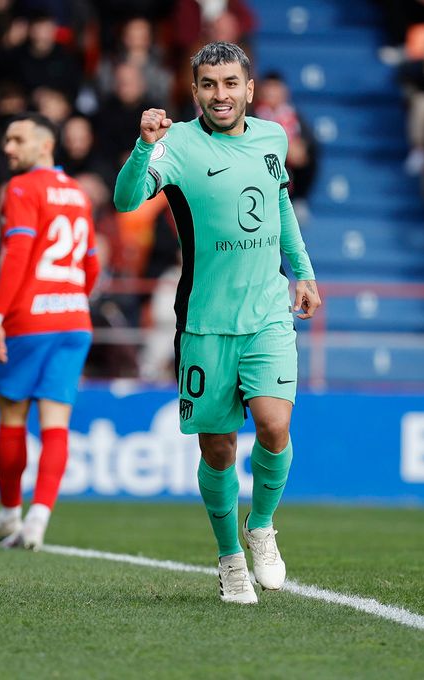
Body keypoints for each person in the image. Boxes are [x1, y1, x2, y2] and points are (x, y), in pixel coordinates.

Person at [114, 42, 321, 604]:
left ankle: (262, 528)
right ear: (195, 90)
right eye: (209, 85)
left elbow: (279, 209)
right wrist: (142, 148)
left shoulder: (273, 137)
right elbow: (126, 200)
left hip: (267, 315)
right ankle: (230, 558)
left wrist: (301, 272)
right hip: (204, 322)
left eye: (231, 83)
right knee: (219, 450)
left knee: (275, 426)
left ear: (249, 89)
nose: (221, 94)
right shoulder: (176, 143)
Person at [0, 113, 100, 551]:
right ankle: (38, 521)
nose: (8, 148)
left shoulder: (21, 188)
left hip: (28, 320)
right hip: (74, 321)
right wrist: (72, 300)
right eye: (7, 140)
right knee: (56, 424)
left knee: (12, 417)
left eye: (18, 140)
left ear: (45, 145)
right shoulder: (79, 193)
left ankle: (10, 514)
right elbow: (92, 264)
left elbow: (18, 255)